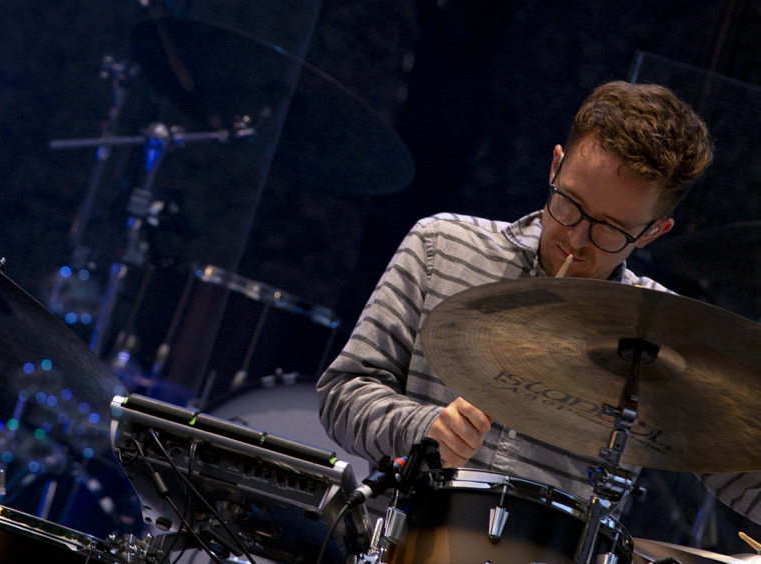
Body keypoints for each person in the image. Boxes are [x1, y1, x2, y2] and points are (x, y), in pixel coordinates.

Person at [317, 80, 761, 521]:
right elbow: (341, 394)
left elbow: (742, 474)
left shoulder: (665, 333)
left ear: (653, 232)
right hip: (394, 560)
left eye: (610, 228)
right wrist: (421, 428)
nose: (576, 237)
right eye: (570, 202)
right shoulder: (441, 245)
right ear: (555, 166)